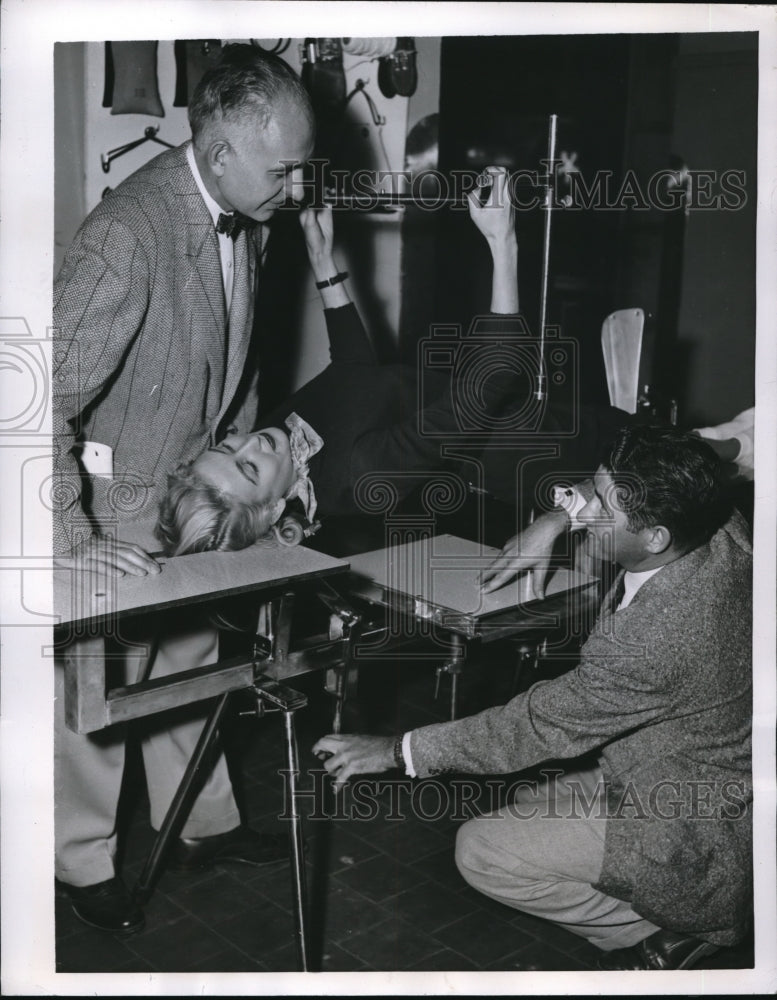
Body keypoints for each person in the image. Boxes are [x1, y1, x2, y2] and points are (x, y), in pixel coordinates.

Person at [311, 425, 753, 971]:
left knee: (483, 851)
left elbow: (533, 727)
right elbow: (684, 452)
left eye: (603, 508)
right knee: (525, 804)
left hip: (692, 810)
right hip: (701, 761)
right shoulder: (718, 523)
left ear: (655, 537)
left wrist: (395, 750)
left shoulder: (659, 638)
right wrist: (556, 519)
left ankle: (678, 930)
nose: (587, 511)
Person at [52, 44, 314, 933]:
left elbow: (234, 365)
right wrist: (74, 539)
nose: (296, 188)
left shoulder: (251, 214)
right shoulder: (128, 234)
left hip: (193, 494)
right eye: (283, 171)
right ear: (219, 153)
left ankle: (201, 824)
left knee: (194, 665)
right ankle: (79, 859)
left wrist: (250, 492)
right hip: (109, 506)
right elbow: (34, 400)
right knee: (97, 692)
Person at [156, 167, 627, 557]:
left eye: (228, 446)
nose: (251, 443)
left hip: (535, 414)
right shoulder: (358, 476)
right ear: (275, 510)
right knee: (642, 454)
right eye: (249, 469)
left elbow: (355, 374)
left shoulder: (281, 445)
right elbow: (491, 382)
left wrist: (322, 261)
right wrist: (503, 243)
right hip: (547, 450)